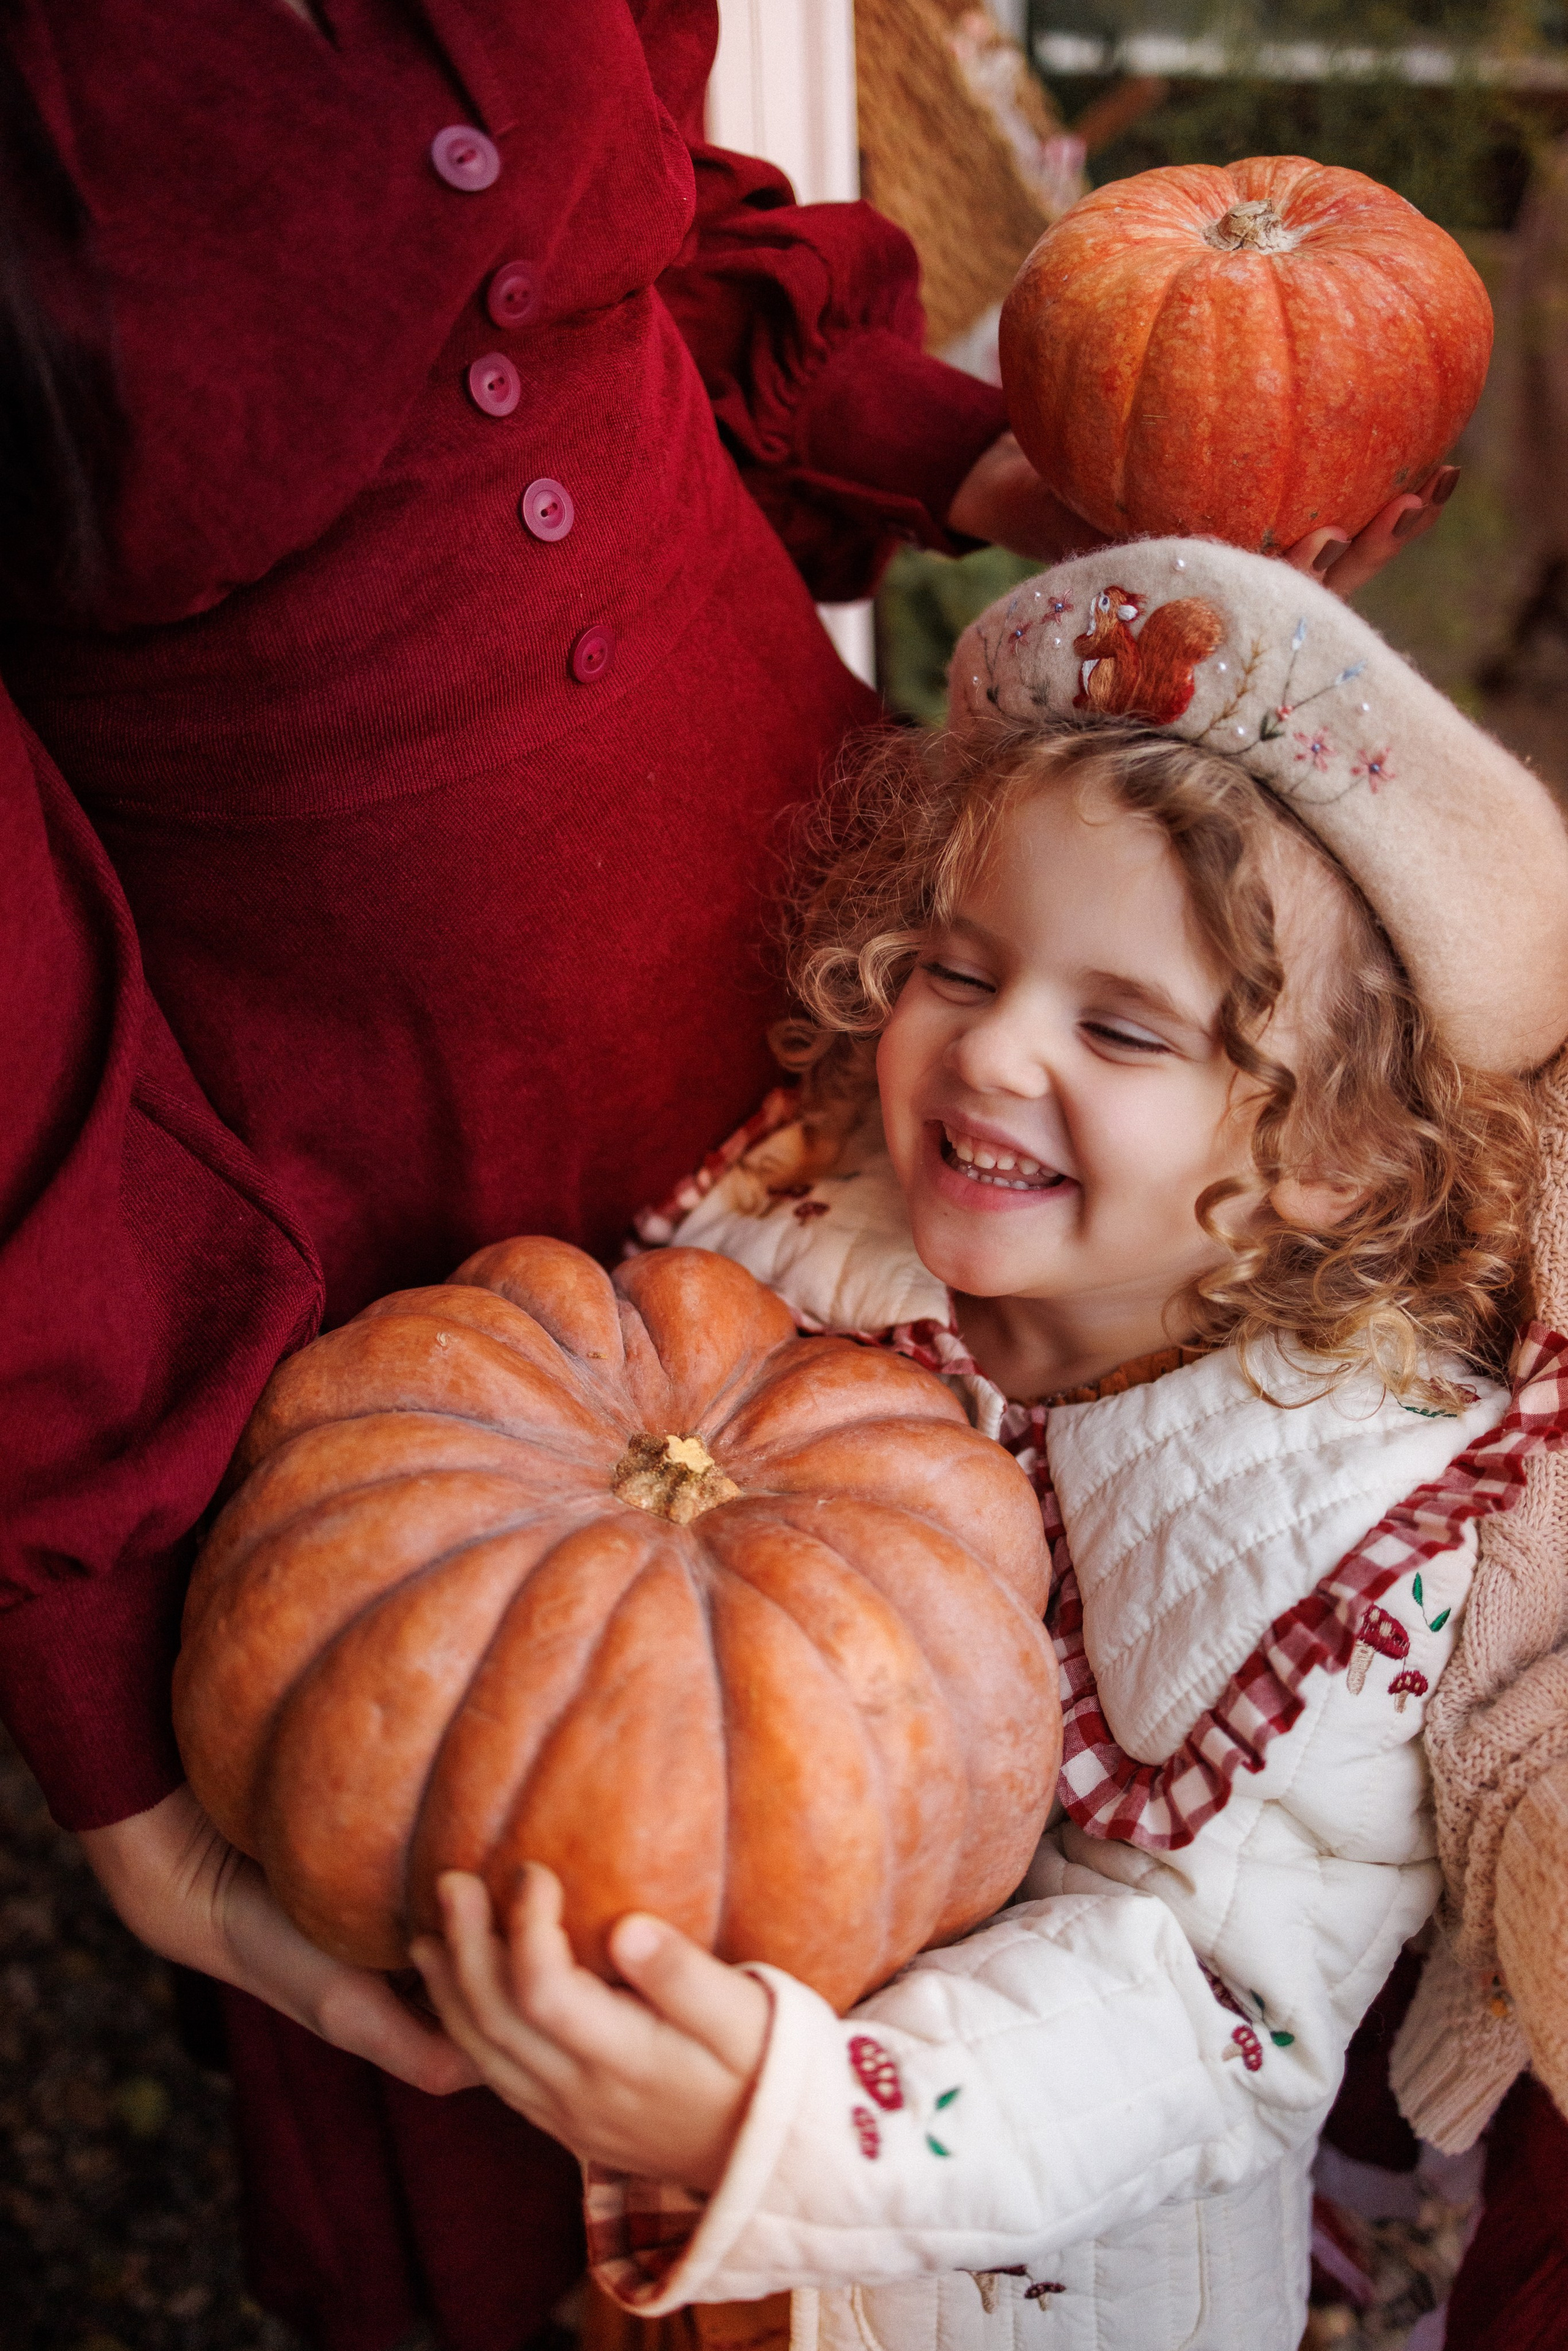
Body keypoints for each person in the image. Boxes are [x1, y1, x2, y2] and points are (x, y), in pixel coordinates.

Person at [0, 4, 1458, 2340]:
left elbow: (623, 257)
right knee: (527, 1938)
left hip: (819, 998)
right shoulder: (832, 1183)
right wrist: (104, 1692)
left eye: (1113, 1019)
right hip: (380, 1185)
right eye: (1004, 986)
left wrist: (993, 484)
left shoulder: (1293, 1397)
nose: (1022, 1044)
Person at [408, 537, 1568, 2351]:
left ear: (1328, 1155)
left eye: (1117, 1026)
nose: (991, 1052)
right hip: (708, 2165)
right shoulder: (811, 1240)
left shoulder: (1342, 1532)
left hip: (1041, 2290)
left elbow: (1207, 2014)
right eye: (958, 970)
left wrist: (802, 2122)